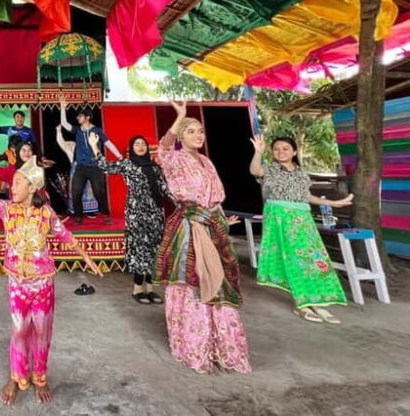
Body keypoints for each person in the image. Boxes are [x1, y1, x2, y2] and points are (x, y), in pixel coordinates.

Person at [0, 159, 103, 405]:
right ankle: (17, 377)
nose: (12, 186)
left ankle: (40, 378)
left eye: (18, 182)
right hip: (17, 283)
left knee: (41, 332)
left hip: (42, 284)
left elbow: (65, 235)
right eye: (12, 181)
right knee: (19, 330)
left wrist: (87, 258)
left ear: (32, 188)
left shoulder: (46, 213)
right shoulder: (6, 209)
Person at [155, 101, 251, 374]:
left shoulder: (206, 161)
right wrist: (180, 116)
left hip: (212, 226)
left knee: (218, 283)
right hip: (189, 227)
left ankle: (225, 350)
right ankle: (196, 348)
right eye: (192, 131)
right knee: (193, 282)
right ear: (182, 136)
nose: (198, 135)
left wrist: (221, 220)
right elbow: (163, 147)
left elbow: (216, 198)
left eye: (200, 132)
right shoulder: (175, 158)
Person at [250, 135, 350, 323]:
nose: (280, 152)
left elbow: (307, 197)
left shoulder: (301, 173)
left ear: (294, 152)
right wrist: (258, 151)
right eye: (277, 149)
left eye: (285, 148)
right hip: (281, 220)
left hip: (303, 220)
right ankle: (301, 305)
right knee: (294, 260)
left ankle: (317, 302)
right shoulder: (271, 169)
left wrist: (333, 203)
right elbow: (255, 169)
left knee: (314, 258)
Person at [90, 132, 170, 305]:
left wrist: (185, 201)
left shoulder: (155, 167)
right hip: (136, 213)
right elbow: (106, 167)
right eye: (137, 145)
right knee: (140, 250)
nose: (141, 147)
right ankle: (137, 289)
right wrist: (95, 146)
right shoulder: (127, 164)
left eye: (143, 144)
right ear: (132, 149)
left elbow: (164, 188)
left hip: (155, 213)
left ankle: (150, 288)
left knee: (153, 249)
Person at [59, 95, 122, 225]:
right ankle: (78, 217)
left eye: (80, 116)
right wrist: (62, 109)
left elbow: (108, 143)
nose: (77, 118)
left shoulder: (97, 130)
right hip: (80, 167)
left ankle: (105, 214)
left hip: (95, 167)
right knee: (76, 192)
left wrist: (119, 156)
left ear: (87, 117)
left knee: (99, 192)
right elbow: (64, 124)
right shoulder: (77, 131)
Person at [55, 124, 99, 216]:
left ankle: (90, 211)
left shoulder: (91, 144)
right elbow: (61, 142)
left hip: (89, 168)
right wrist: (58, 131)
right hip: (76, 170)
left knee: (89, 190)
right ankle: (75, 210)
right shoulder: (72, 145)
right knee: (76, 190)